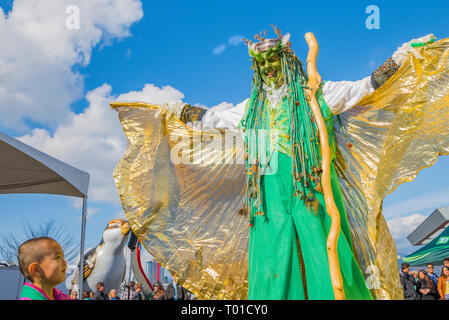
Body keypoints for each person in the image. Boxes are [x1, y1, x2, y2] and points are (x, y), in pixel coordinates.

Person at [112, 29, 449, 300]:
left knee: (321, 250)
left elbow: (364, 88)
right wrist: (177, 110)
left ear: (287, 59)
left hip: (311, 191)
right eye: (261, 63)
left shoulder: (315, 95)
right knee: (271, 258)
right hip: (267, 200)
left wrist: (402, 57)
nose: (269, 68)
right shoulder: (251, 110)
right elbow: (212, 119)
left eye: (273, 59)